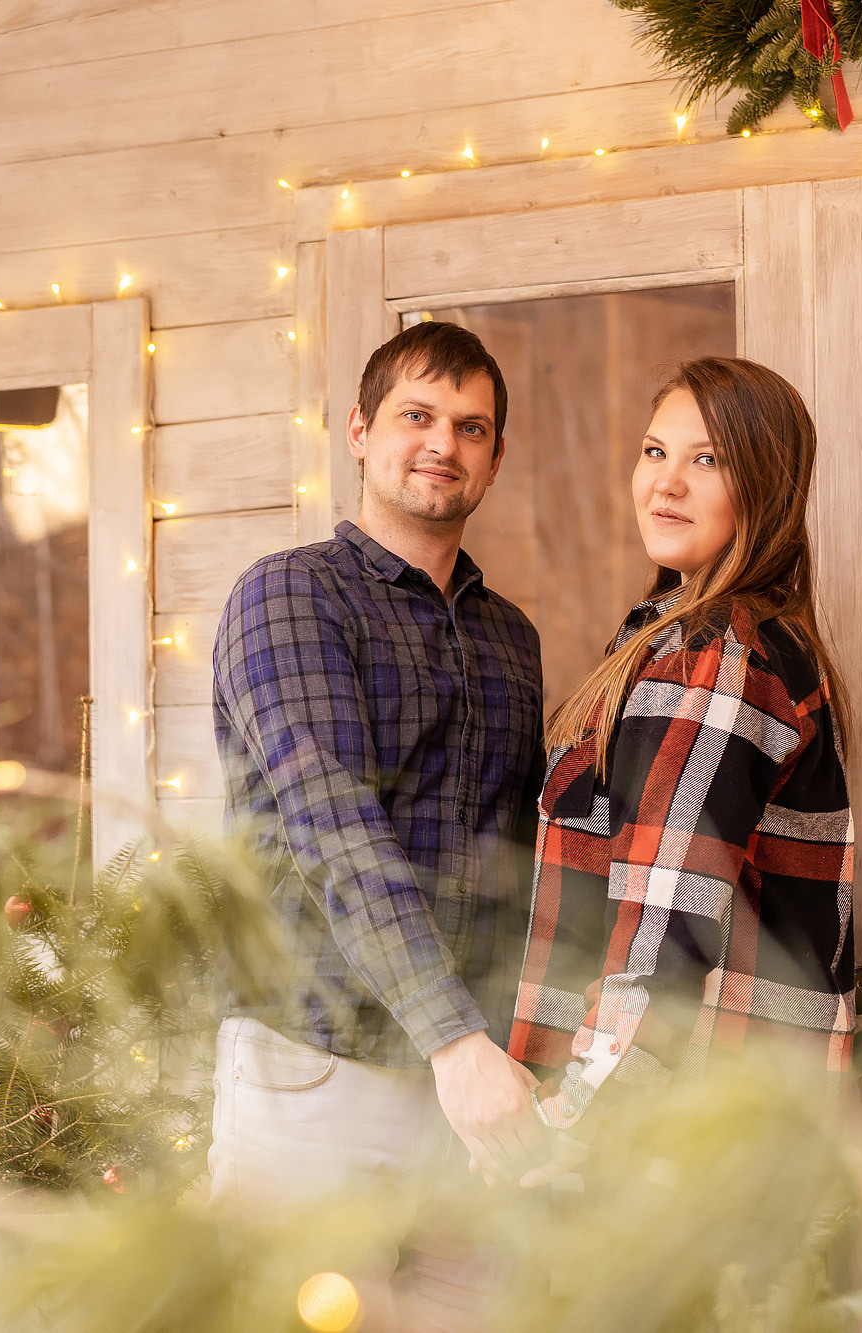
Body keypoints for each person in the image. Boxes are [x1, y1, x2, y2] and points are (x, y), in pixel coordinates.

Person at [208, 320, 547, 1329]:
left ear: (492, 457)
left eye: (470, 426)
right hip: (321, 1064)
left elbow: (519, 859)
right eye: (415, 415)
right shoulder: (290, 595)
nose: (442, 442)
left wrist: (502, 1049)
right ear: (358, 431)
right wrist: (456, 1043)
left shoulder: (509, 637)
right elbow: (333, 830)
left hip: (473, 1084)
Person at [509, 357, 855, 1149]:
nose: (665, 484)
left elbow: (664, 938)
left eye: (707, 460)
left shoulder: (722, 652)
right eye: (655, 451)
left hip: (670, 1145)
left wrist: (568, 1131)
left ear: (763, 487)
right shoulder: (681, 636)